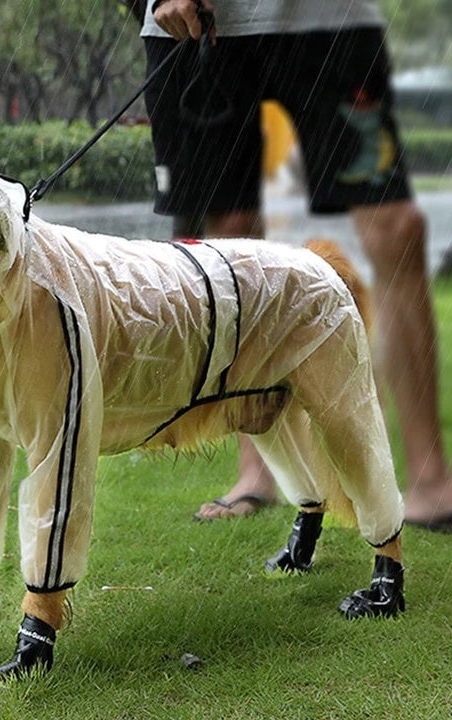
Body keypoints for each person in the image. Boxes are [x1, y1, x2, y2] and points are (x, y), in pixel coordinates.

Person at [141, 0, 452, 530]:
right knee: (231, 236)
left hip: (328, 19)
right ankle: (256, 472)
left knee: (395, 229)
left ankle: (431, 480)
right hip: (202, 26)